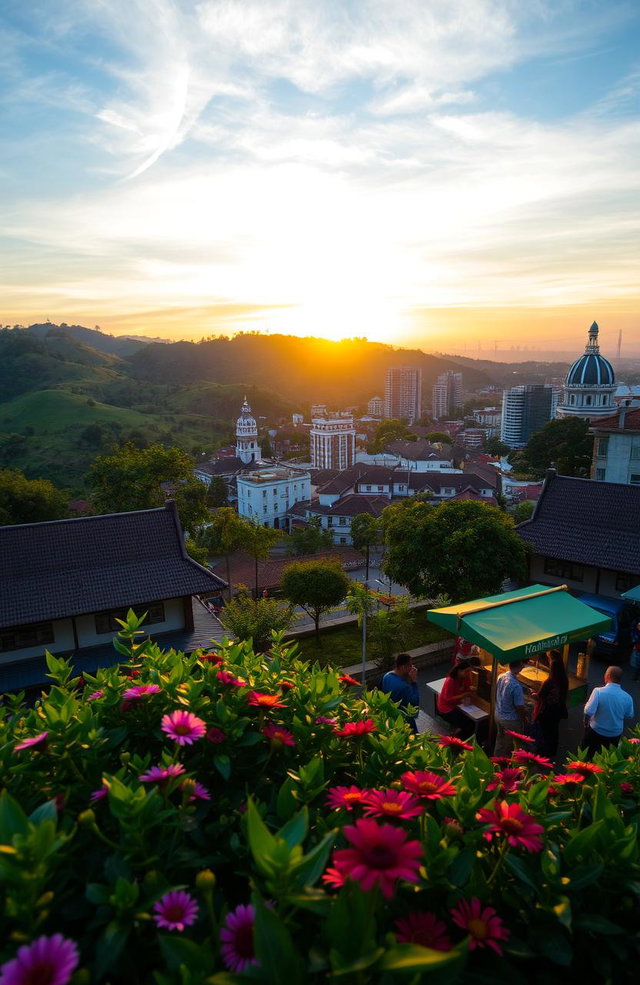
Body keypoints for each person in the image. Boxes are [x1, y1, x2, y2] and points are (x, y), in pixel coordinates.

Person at [582, 666, 634, 758]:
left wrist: (585, 722)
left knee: (586, 755)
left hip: (596, 731)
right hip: (615, 734)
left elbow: (589, 711)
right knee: (607, 759)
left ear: (608, 676)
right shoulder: (628, 697)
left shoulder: (598, 691)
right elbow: (629, 715)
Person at [532, 649, 568, 760]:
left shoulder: (549, 682)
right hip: (558, 709)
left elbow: (539, 696)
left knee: (544, 732)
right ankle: (552, 750)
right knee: (554, 730)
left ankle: (543, 753)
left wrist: (531, 693)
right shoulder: (564, 679)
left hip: (547, 711)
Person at [493, 659, 528, 756]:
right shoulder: (516, 686)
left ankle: (495, 760)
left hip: (498, 714)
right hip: (510, 720)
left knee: (500, 740)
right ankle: (505, 765)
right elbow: (519, 707)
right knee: (511, 745)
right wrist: (524, 718)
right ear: (519, 667)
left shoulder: (501, 676)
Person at [437, 661, 476, 740]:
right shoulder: (450, 681)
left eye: (469, 671)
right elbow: (447, 698)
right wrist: (464, 695)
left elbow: (468, 688)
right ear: (459, 671)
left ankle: (460, 735)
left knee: (470, 722)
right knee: (466, 724)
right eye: (466, 671)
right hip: (446, 709)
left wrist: (471, 689)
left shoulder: (466, 678)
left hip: (458, 705)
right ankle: (458, 739)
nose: (468, 673)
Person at [382, 653, 420, 734]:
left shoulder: (386, 676)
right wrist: (413, 682)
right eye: (410, 666)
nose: (412, 668)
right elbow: (415, 706)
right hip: (404, 723)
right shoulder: (404, 687)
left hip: (390, 719)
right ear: (403, 667)